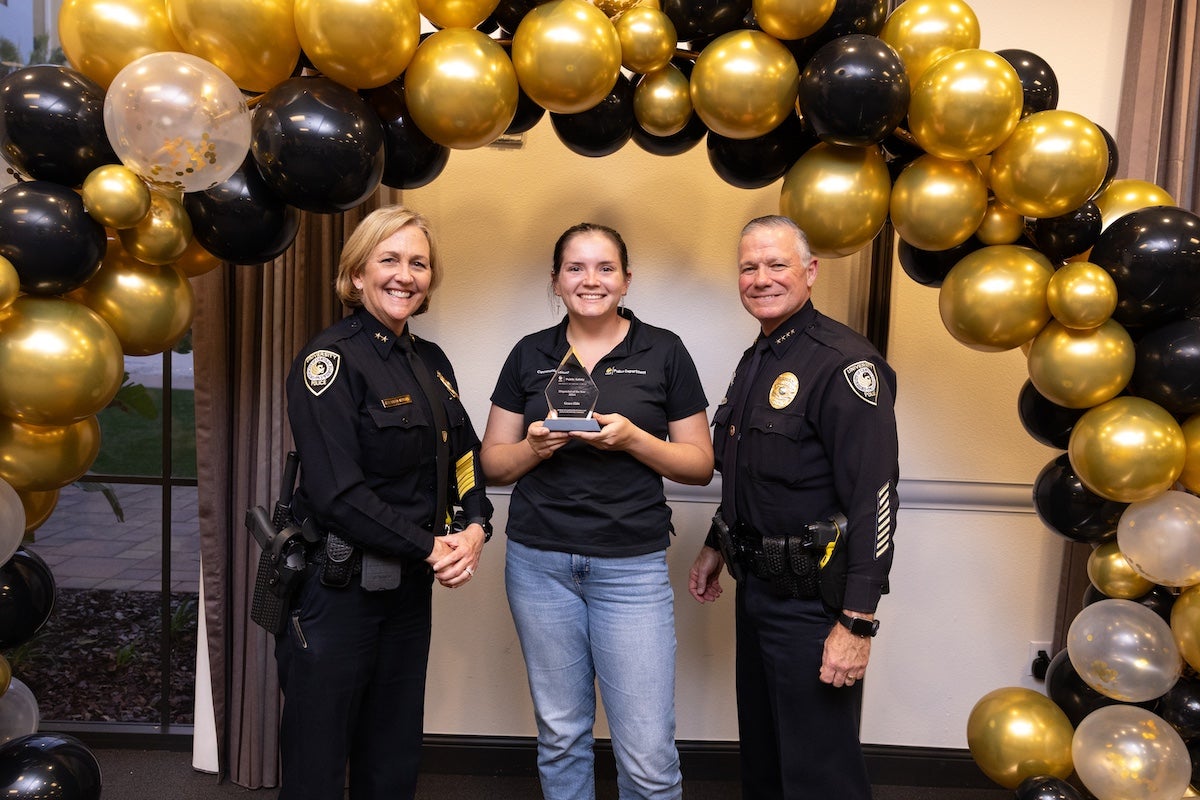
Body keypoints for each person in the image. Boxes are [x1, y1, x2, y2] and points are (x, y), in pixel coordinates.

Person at [480, 223, 713, 800]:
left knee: (648, 755)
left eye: (605, 268)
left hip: (630, 568)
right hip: (538, 566)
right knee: (561, 736)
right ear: (556, 281)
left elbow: (699, 464)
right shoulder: (529, 353)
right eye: (576, 268)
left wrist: (634, 439)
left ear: (627, 280)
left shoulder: (664, 350)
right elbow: (492, 464)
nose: (591, 280)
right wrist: (534, 448)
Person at [278, 205, 493, 800]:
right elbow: (337, 492)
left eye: (418, 263)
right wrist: (432, 546)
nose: (405, 275)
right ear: (356, 276)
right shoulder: (330, 361)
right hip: (338, 591)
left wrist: (475, 527)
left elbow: (464, 459)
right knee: (316, 764)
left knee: (393, 756)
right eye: (389, 260)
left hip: (407, 594)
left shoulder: (431, 362)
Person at [688, 215, 899, 800]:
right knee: (766, 761)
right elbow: (750, 474)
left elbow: (874, 499)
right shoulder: (758, 357)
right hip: (757, 591)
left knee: (819, 775)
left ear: (810, 271)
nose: (761, 278)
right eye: (749, 267)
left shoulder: (844, 365)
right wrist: (715, 542)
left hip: (814, 605)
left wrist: (857, 622)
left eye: (777, 264)